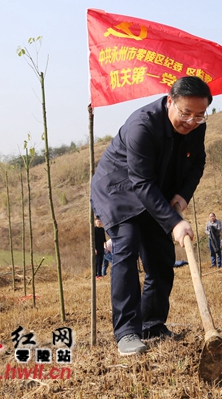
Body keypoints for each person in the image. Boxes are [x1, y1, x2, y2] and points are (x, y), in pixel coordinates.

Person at [91, 76, 212, 356]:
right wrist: (175, 222)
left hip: (156, 190)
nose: (191, 121)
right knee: (127, 245)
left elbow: (198, 162)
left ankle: (152, 323)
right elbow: (140, 182)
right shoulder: (142, 125)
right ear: (170, 101)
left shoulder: (196, 125)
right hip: (118, 189)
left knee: (161, 258)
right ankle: (127, 333)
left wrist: (182, 195)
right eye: (185, 113)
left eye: (199, 115)